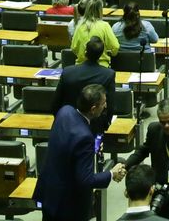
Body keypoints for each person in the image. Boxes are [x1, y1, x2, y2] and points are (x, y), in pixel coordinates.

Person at [35, 84, 125, 221]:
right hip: (68, 207)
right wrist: (112, 173)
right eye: (103, 103)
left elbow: (67, 147)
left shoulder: (64, 111)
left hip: (49, 194)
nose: (106, 106)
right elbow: (86, 180)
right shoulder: (84, 138)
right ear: (93, 109)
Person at [57, 38, 117, 119]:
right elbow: (111, 105)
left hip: (69, 120)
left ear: (85, 52)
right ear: (101, 54)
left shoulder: (67, 72)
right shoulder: (108, 74)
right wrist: (106, 123)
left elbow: (57, 102)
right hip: (96, 122)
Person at [71, 0, 120, 67]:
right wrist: (111, 54)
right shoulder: (104, 26)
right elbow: (115, 47)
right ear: (100, 11)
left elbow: (74, 48)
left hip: (81, 65)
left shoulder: (79, 26)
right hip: (101, 66)